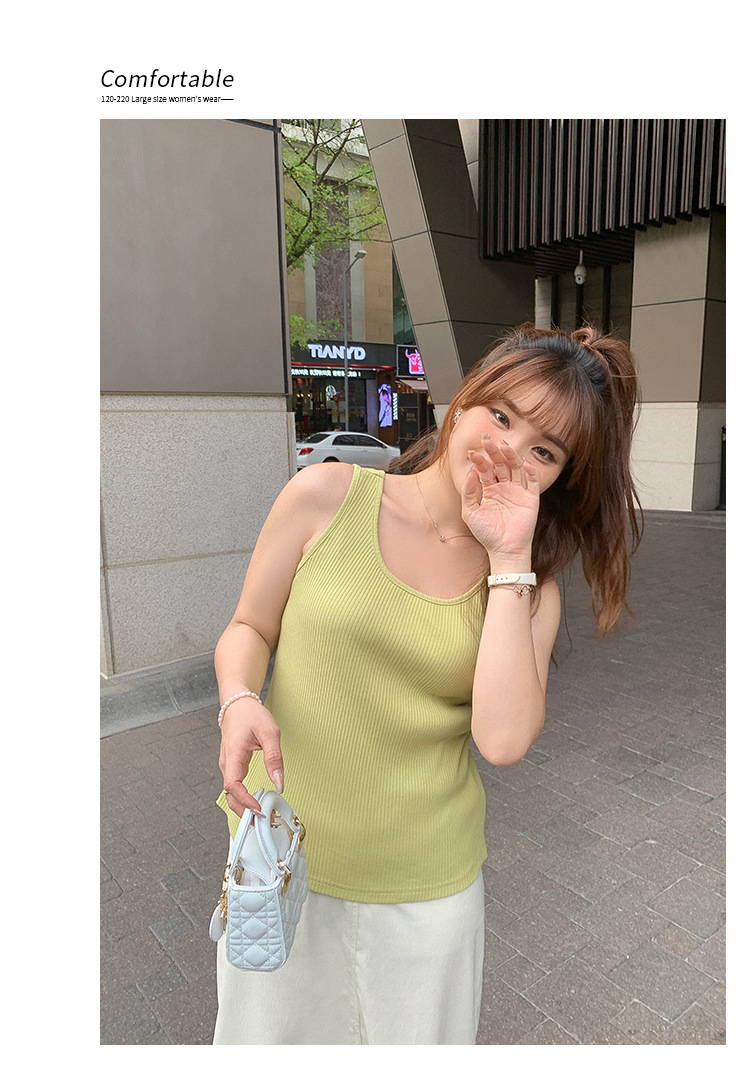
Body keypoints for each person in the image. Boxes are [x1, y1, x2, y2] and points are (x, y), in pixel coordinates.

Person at [212, 324, 642, 1045]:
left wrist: (509, 556)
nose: (509, 449)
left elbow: (502, 741)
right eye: (501, 414)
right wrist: (239, 698)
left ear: (559, 479)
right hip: (280, 861)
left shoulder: (528, 588)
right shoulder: (324, 496)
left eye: (544, 450)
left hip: (428, 891)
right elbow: (250, 626)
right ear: (462, 401)